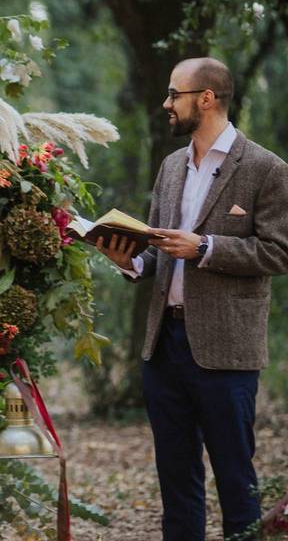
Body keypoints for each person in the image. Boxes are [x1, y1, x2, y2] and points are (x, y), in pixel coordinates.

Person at [97, 57, 288, 540]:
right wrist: (130, 261)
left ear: (206, 98)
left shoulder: (266, 168)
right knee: (176, 479)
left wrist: (205, 247)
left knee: (235, 479)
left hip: (227, 351)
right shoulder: (171, 166)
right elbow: (160, 251)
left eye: (173, 94)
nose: (166, 103)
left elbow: (279, 251)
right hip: (165, 346)